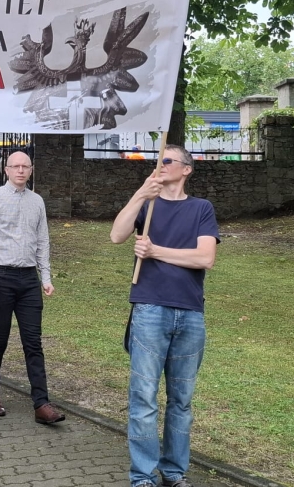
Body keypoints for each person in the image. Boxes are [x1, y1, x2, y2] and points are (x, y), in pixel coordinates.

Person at [109, 145, 219, 487]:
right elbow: (116, 235)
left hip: (190, 313)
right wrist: (141, 193)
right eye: (159, 160)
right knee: (143, 398)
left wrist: (155, 251)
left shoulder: (201, 208)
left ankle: (173, 472)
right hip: (149, 310)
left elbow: (205, 258)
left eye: (167, 160)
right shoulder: (148, 206)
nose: (161, 164)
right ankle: (143, 476)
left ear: (186, 169)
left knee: (181, 401)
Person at [0, 151, 65, 425]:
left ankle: (41, 403)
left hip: (28, 280)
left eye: (25, 166)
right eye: (16, 166)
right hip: (0, 277)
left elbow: (43, 241)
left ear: (31, 170)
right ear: (7, 170)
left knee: (33, 342)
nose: (21, 171)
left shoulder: (37, 201)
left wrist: (45, 277)